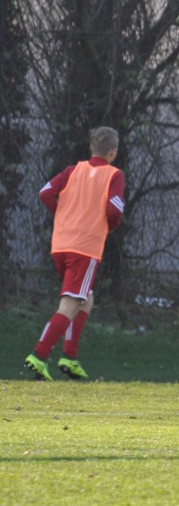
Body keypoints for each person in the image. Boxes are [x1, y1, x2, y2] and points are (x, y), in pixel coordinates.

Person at [24, 127, 126, 381]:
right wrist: (109, 226)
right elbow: (114, 210)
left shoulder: (73, 171)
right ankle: (39, 354)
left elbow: (45, 192)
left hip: (61, 244)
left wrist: (62, 214)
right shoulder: (114, 175)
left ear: (92, 149)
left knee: (85, 298)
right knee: (69, 304)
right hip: (85, 248)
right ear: (112, 152)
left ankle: (69, 357)